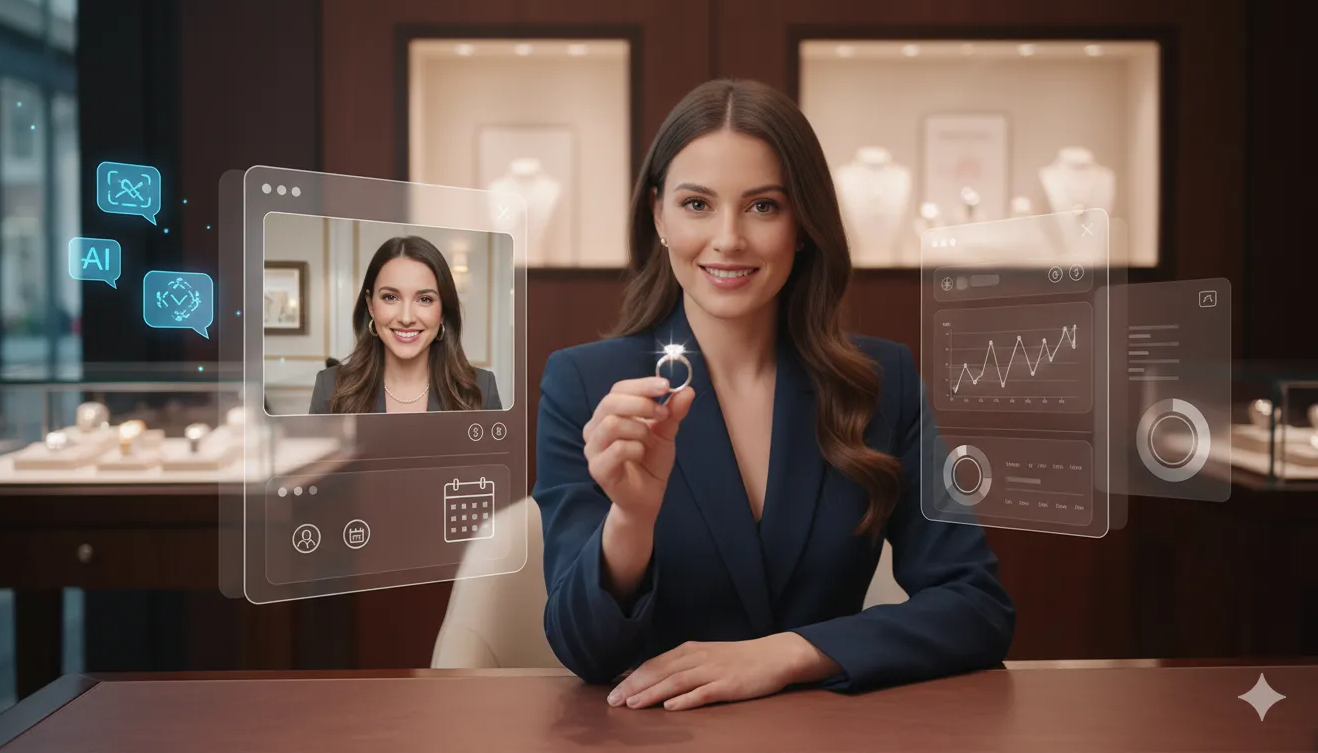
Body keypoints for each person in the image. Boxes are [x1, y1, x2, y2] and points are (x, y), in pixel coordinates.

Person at [532, 79, 1014, 711]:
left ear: (804, 224)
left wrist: (787, 653)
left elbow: (976, 608)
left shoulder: (880, 381)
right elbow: (584, 652)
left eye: (763, 206)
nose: (728, 238)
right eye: (697, 204)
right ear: (658, 215)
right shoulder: (585, 386)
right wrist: (630, 521)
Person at [309, 235, 501, 414]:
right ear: (371, 305)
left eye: (424, 299)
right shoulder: (330, 388)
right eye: (390, 297)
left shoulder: (482, 390)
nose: (406, 318)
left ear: (443, 310)